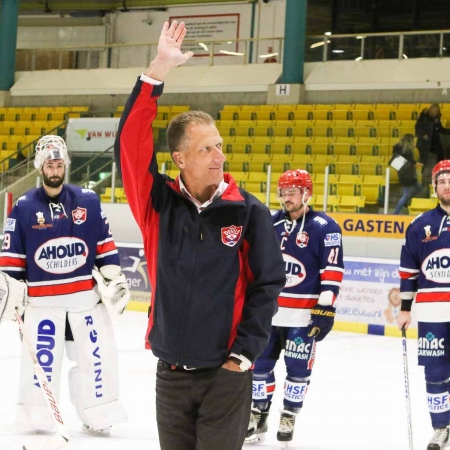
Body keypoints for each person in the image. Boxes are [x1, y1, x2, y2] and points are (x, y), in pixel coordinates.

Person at [114, 21, 286, 450]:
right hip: (170, 375)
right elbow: (130, 147)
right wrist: (158, 70)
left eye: (220, 145)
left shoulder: (248, 212)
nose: (219, 156)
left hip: (224, 378)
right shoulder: (158, 205)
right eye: (206, 148)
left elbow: (267, 285)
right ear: (180, 158)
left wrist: (243, 355)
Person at [0, 135, 129, 434]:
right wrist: (12, 289)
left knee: (95, 360)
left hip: (84, 301)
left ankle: (98, 413)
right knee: (42, 365)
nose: (55, 169)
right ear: (40, 167)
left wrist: (112, 278)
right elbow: (12, 259)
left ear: (65, 165)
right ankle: (37, 417)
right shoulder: (23, 208)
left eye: (59, 163)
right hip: (43, 305)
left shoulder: (87, 200)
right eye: (49, 164)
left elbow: (103, 245)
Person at [246, 169, 344, 445]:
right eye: (283, 192)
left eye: (292, 192)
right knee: (259, 366)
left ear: (307, 193)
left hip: (303, 318)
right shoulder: (271, 223)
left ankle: (289, 415)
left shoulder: (325, 227)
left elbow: (332, 271)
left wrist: (325, 308)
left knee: (298, 370)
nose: (286, 198)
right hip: (269, 315)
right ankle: (258, 415)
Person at [397, 159, 450, 450]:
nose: (447, 186)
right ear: (434, 187)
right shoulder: (420, 225)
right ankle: (441, 427)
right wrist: (405, 308)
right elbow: (409, 270)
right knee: (436, 372)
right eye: (441, 181)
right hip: (432, 314)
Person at [415, 104, 450, 190]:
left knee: (441, 157)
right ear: (431, 110)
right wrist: (423, 134)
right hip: (425, 143)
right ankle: (419, 180)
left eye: (436, 111)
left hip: (435, 142)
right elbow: (417, 127)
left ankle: (440, 175)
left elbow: (441, 129)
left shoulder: (437, 118)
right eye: (434, 111)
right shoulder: (424, 117)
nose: (435, 113)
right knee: (423, 162)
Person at [390, 133, 422, 214]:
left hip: (401, 172)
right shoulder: (408, 150)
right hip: (408, 173)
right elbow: (410, 161)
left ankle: (404, 203)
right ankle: (396, 213)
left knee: (418, 187)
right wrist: (417, 164)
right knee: (406, 194)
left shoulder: (398, 149)